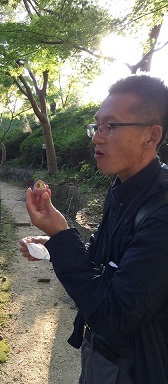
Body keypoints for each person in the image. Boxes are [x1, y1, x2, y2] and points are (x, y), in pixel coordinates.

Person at [19, 75, 168, 384]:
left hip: (140, 367)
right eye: (97, 126)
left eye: (110, 127)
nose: (96, 138)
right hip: (102, 355)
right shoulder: (122, 190)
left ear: (151, 136)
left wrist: (62, 235)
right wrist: (53, 246)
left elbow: (115, 314)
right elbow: (102, 260)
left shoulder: (162, 212)